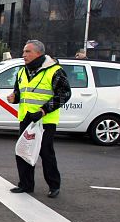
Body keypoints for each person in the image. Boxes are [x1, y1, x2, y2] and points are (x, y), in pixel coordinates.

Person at [7, 40, 72, 198]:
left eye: (27, 51)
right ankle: (26, 185)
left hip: (45, 121)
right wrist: (14, 97)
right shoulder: (22, 71)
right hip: (26, 118)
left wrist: (44, 110)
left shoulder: (55, 70)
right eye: (24, 51)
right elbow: (20, 92)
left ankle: (54, 185)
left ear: (38, 53)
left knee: (45, 153)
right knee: (23, 151)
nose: (24, 55)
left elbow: (64, 94)